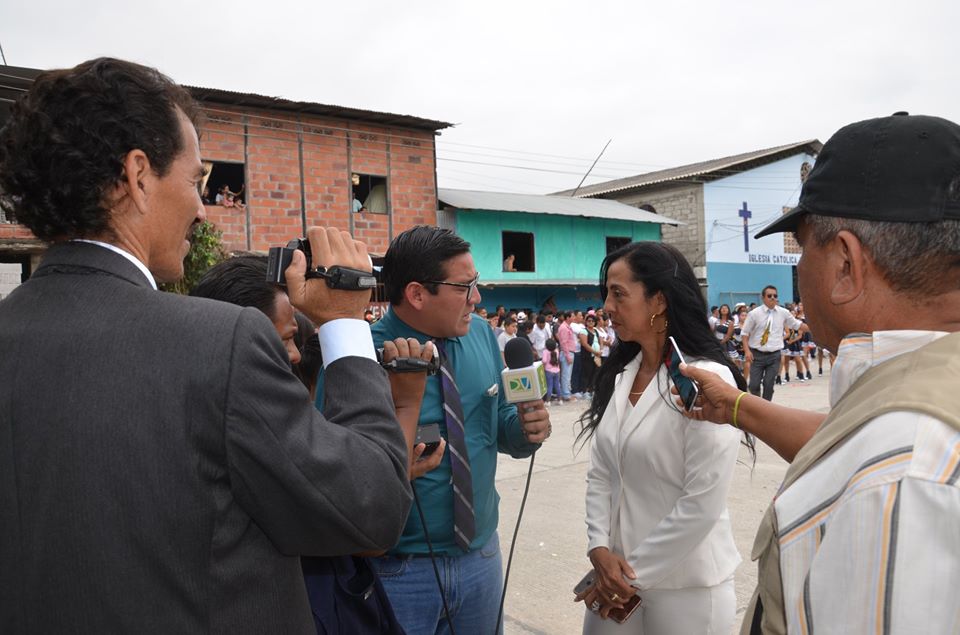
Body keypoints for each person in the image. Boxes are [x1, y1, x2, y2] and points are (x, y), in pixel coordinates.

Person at [0, 58, 413, 633]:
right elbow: (371, 509)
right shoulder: (220, 341)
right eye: (195, 181)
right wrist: (345, 323)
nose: (201, 209)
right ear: (138, 175)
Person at [677, 112, 960, 634]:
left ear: (847, 264)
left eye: (804, 246)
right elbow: (849, 443)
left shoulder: (899, 479)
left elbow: (877, 458)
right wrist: (736, 405)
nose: (799, 267)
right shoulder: (915, 406)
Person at [316, 225, 552, 635]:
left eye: (476, 283)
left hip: (480, 558)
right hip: (397, 571)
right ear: (417, 294)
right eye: (464, 287)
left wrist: (526, 430)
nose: (477, 299)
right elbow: (331, 469)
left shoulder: (482, 335)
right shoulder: (355, 355)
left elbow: (499, 426)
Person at [573, 242, 750, 634]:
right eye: (607, 294)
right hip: (615, 577)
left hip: (686, 589)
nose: (607, 306)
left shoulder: (708, 379)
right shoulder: (622, 376)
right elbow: (601, 473)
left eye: (618, 294)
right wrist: (598, 548)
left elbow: (701, 502)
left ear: (658, 301)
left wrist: (625, 576)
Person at [740, 285, 808, 400]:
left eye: (775, 296)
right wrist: (747, 351)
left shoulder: (783, 312)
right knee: (753, 385)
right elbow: (745, 333)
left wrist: (815, 328)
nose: (773, 298)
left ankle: (765, 407)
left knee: (768, 384)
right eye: (769, 295)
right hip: (757, 355)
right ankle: (758, 405)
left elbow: (797, 324)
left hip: (774, 355)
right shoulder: (754, 314)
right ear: (763, 298)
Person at [556, 310, 578, 402]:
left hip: (569, 352)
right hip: (567, 352)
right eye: (572, 316)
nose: (574, 317)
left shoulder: (567, 327)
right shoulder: (564, 328)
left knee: (567, 374)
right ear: (568, 317)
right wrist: (568, 356)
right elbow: (563, 343)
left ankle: (567, 392)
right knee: (566, 375)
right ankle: (566, 394)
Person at [542, 338, 562, 404]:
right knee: (557, 385)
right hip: (557, 370)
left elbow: (544, 361)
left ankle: (548, 401)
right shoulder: (557, 351)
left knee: (549, 386)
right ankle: (560, 400)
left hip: (548, 371)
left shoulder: (545, 351)